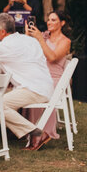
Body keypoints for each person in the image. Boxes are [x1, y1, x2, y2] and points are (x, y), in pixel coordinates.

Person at [0, 13, 54, 144]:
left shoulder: (0, 47)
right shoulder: (29, 40)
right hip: (46, 86)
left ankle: (35, 133)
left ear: (2, 31)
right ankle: (1, 132)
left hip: (33, 90)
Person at [22, 11, 72, 150]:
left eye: (53, 20)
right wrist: (28, 35)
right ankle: (27, 129)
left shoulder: (65, 41)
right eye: (48, 20)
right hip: (40, 75)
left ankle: (41, 132)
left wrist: (40, 39)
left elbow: (52, 57)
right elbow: (27, 51)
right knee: (23, 86)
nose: (49, 22)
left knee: (36, 89)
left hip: (54, 78)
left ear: (62, 23)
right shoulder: (43, 36)